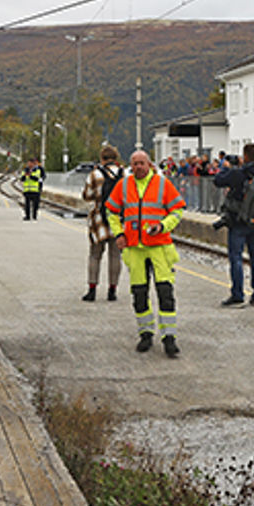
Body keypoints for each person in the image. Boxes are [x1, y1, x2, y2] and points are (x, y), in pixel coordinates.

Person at [105, 149, 185, 357]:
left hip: (159, 247)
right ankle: (146, 334)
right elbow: (111, 212)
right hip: (135, 249)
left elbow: (177, 210)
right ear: (130, 166)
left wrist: (163, 225)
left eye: (142, 163)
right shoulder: (123, 185)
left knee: (165, 293)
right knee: (139, 294)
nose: (138, 167)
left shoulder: (162, 183)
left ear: (150, 164)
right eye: (135, 163)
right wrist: (119, 234)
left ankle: (169, 338)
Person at [214, 143, 254, 306]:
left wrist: (226, 167)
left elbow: (218, 181)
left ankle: (238, 294)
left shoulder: (238, 173)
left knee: (236, 257)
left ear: (245, 157)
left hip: (238, 222)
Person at [81, 146, 125, 302]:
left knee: (95, 256)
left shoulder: (96, 174)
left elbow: (87, 196)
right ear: (116, 157)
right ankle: (112, 291)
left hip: (99, 220)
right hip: (118, 220)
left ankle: (92, 290)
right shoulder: (124, 174)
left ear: (102, 158)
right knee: (115, 257)